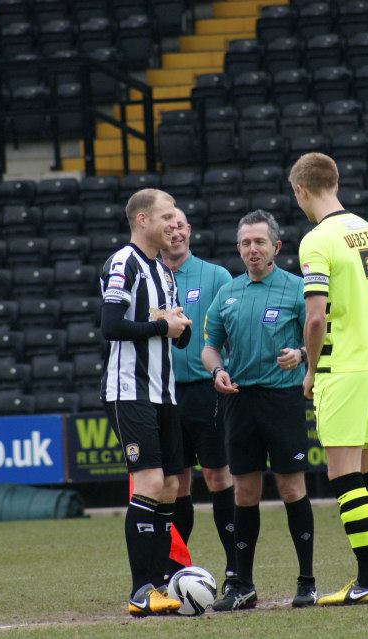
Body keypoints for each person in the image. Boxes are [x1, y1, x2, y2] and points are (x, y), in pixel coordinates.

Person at [290, 152, 368, 606]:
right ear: (335, 183)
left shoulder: (316, 241)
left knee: (343, 474)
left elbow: (316, 317)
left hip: (344, 370)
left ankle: (367, 579)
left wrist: (311, 369)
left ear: (301, 190)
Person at [201, 210, 317, 611]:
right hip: (239, 401)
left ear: (276, 247)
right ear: (238, 248)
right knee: (245, 492)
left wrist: (301, 354)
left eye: (260, 242)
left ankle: (307, 581)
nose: (253, 249)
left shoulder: (297, 289)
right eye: (246, 243)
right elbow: (209, 346)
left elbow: (323, 337)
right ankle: (243, 585)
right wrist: (217, 370)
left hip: (283, 400)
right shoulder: (227, 293)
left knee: (291, 488)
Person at [99, 188, 193, 616]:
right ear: (142, 220)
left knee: (171, 487)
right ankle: (141, 590)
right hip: (129, 390)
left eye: (176, 217)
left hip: (164, 391)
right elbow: (111, 325)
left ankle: (159, 582)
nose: (174, 223)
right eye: (166, 216)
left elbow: (175, 334)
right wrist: (161, 327)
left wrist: (179, 326)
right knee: (151, 483)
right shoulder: (125, 263)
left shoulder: (164, 272)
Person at [160, 208, 236, 583]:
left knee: (218, 476)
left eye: (180, 226)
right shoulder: (149, 277)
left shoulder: (216, 276)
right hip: (163, 393)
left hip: (207, 391)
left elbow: (231, 330)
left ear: (189, 230)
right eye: (168, 226)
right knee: (176, 483)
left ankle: (236, 567)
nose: (175, 232)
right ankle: (175, 569)